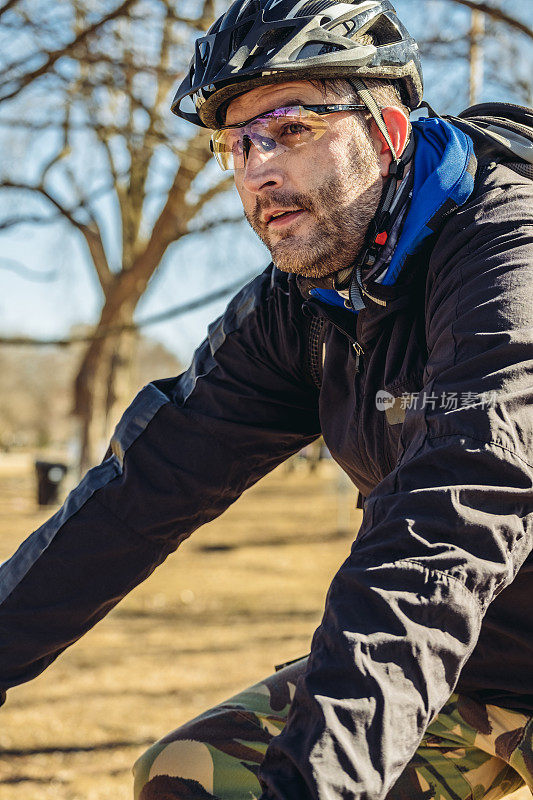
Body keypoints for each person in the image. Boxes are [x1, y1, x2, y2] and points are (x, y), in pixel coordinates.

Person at [1, 0, 532, 798]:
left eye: (290, 128)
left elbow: (447, 519)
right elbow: (140, 493)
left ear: (387, 132)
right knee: (192, 778)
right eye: (237, 144)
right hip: (469, 676)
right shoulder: (306, 303)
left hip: (438, 620)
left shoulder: (507, 260)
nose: (257, 171)